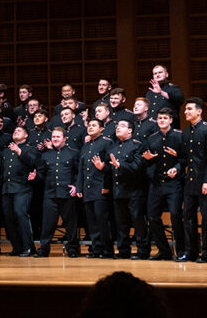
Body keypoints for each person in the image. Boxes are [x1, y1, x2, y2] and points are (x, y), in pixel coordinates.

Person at [181, 98, 207, 263]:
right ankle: (191, 252)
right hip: (190, 183)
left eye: (190, 109)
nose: (186, 112)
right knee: (188, 219)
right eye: (185, 110)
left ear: (199, 111)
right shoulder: (185, 132)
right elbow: (185, 158)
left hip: (205, 182)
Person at [142, 107, 185, 260]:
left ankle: (181, 251)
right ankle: (164, 251)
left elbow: (185, 159)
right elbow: (145, 159)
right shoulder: (152, 138)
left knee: (175, 215)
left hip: (174, 184)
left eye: (165, 118)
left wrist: (177, 167)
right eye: (160, 118)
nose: (161, 120)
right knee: (152, 216)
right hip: (156, 183)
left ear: (171, 120)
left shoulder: (180, 136)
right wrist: (147, 158)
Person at [35, 128, 80, 257]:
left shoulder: (73, 153)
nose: (55, 139)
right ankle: (44, 248)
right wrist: (35, 176)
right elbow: (41, 174)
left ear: (64, 138)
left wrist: (76, 186)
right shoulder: (45, 155)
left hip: (67, 194)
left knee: (71, 223)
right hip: (50, 194)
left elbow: (78, 173)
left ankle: (72, 248)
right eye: (53, 137)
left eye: (58, 137)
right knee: (48, 224)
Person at [0, 126, 38, 256]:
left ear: (26, 135)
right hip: (7, 188)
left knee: (21, 214)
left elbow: (33, 163)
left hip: (22, 187)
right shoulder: (6, 151)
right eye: (14, 130)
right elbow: (1, 171)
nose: (15, 132)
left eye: (19, 131)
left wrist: (19, 151)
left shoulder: (30, 149)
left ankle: (29, 248)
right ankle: (17, 248)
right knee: (9, 218)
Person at [109, 119, 149, 259]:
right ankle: (123, 251)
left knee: (138, 221)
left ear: (130, 130)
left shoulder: (137, 146)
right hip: (118, 190)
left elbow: (137, 167)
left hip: (134, 190)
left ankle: (143, 251)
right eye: (117, 125)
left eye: (122, 126)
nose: (118, 128)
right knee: (121, 223)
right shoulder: (113, 148)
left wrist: (120, 165)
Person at [78, 118, 113, 258]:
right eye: (89, 125)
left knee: (102, 220)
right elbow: (81, 169)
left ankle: (107, 250)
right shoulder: (86, 146)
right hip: (88, 188)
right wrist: (79, 188)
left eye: (94, 125)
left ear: (101, 128)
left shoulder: (107, 142)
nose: (90, 127)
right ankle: (96, 249)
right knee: (91, 222)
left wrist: (103, 169)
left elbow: (112, 165)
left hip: (100, 187)